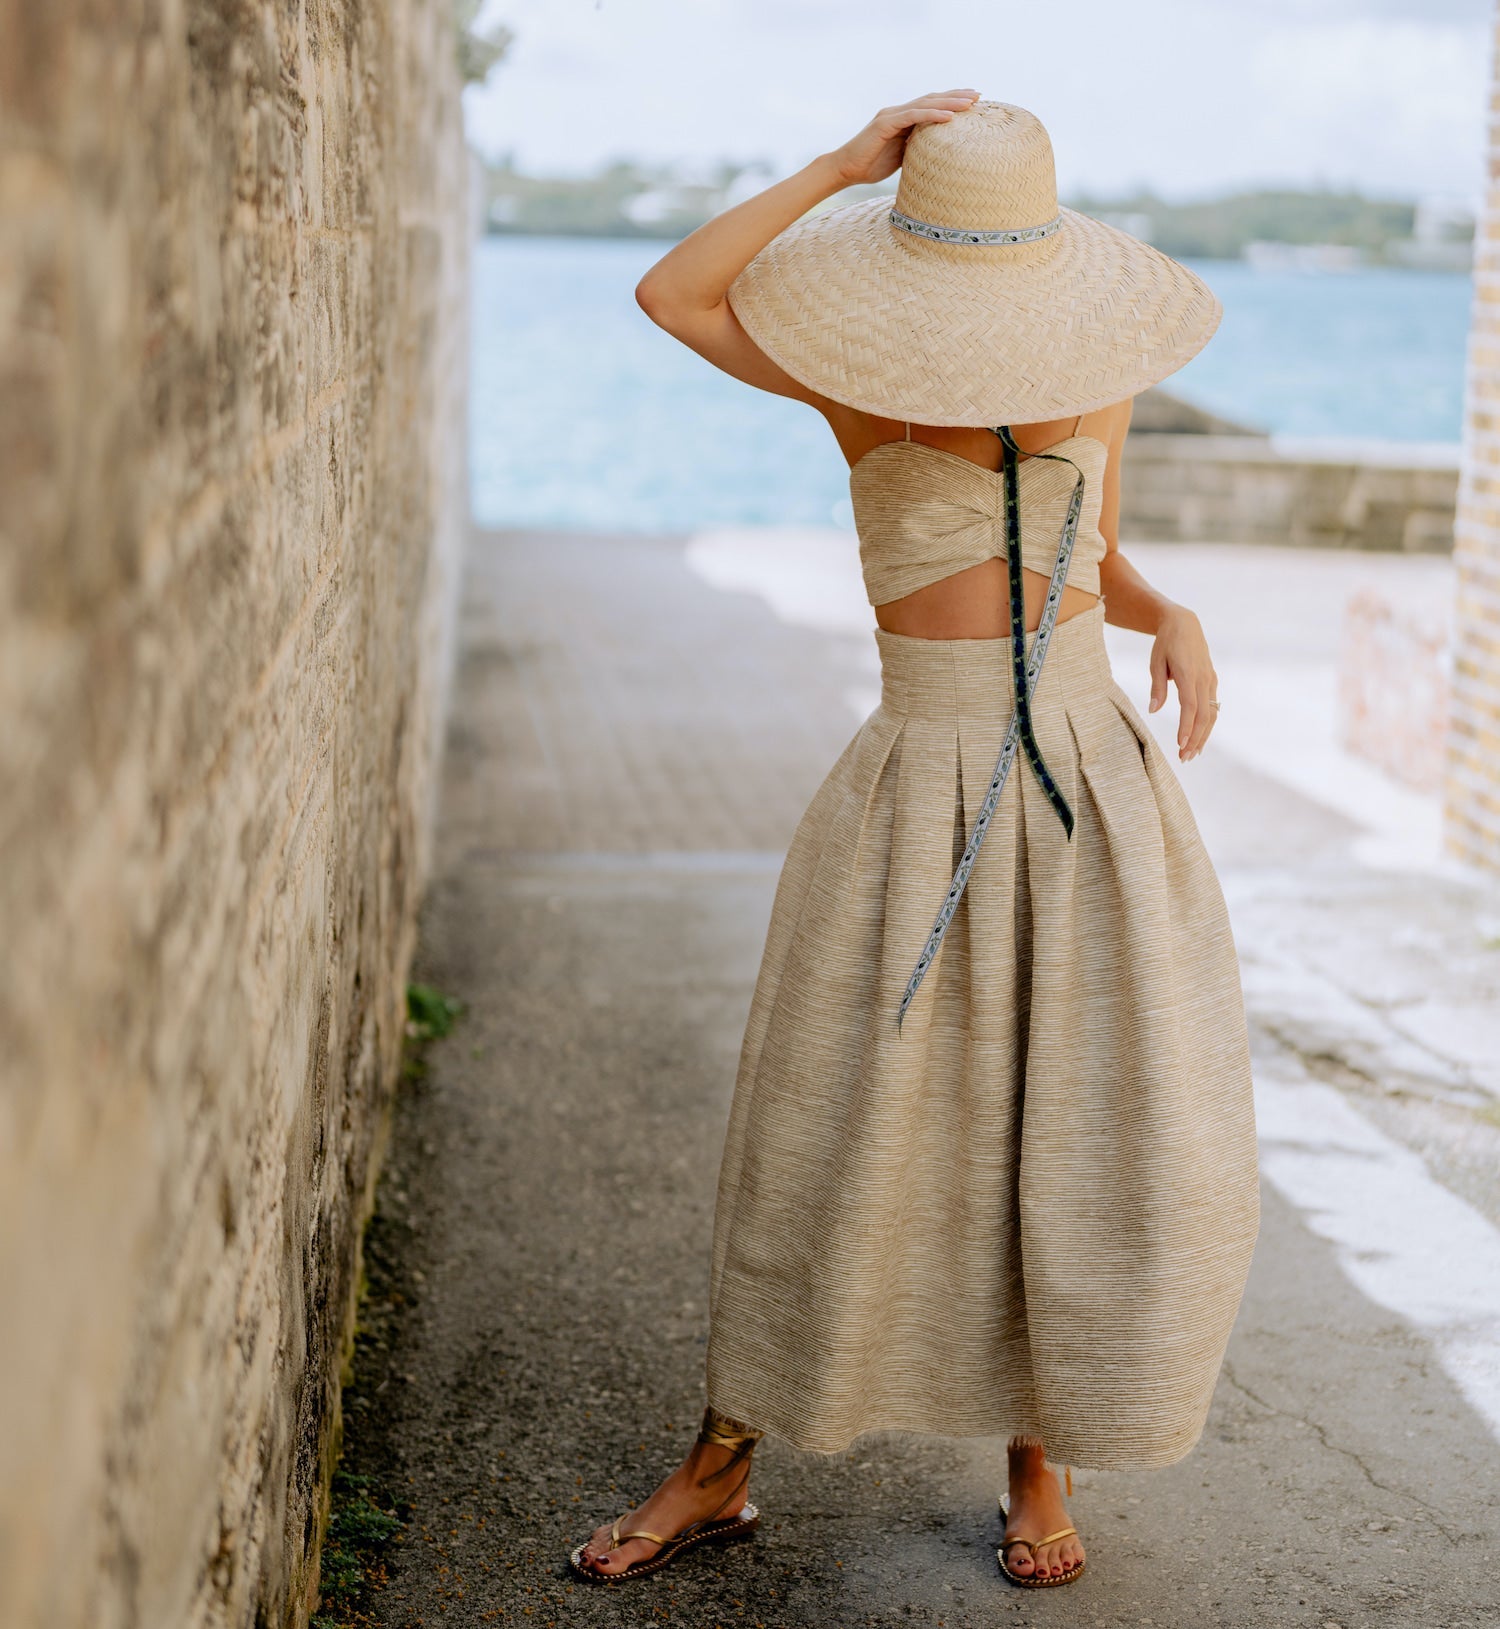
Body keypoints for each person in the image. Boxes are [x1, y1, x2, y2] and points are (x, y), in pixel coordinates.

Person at [569, 92, 1260, 1592]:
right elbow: (670, 290)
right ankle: (722, 1459)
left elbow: (1096, 556)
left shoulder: (1104, 373)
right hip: (916, 774)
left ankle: (1041, 1448)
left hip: (1093, 780)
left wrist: (1178, 612)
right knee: (830, 1125)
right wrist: (833, 168)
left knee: (1070, 1123)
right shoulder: (851, 376)